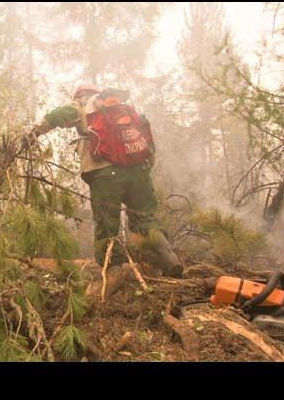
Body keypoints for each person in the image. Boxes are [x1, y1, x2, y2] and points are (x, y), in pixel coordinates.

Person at [24, 84, 183, 296]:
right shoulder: (123, 109)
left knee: (107, 227)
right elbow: (147, 145)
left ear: (79, 95)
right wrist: (140, 171)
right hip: (139, 171)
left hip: (105, 174)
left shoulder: (83, 106)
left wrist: (34, 132)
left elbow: (57, 115)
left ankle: (116, 274)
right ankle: (169, 258)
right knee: (146, 219)